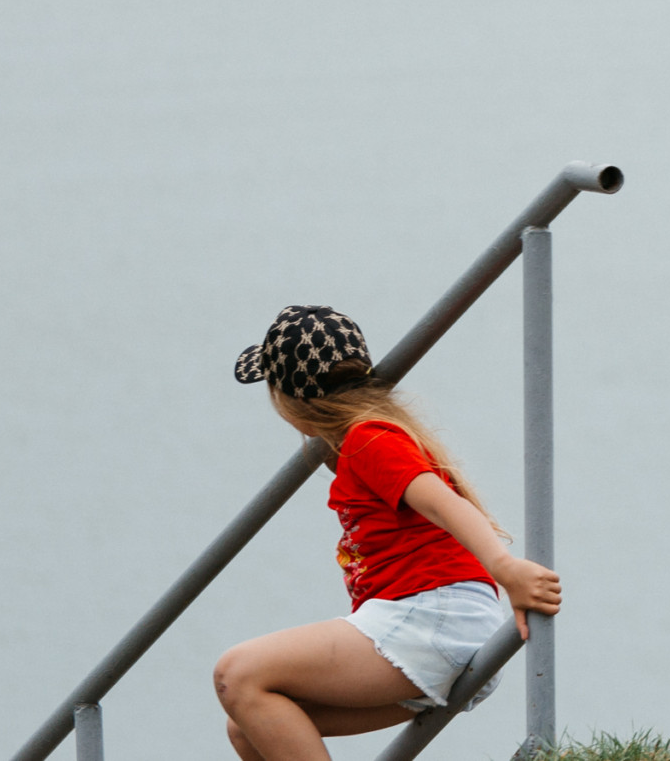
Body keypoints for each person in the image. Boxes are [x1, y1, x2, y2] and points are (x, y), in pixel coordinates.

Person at [212, 306, 560, 759]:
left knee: (237, 672)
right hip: (427, 624)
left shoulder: (367, 439)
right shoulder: (368, 439)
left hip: (433, 618)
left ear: (287, 400)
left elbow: (443, 502)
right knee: (247, 727)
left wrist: (506, 569)